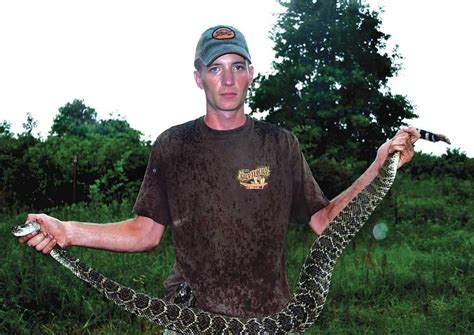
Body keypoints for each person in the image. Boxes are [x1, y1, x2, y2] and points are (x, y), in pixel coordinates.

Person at [18, 25, 419, 320]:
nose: (227, 79)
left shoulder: (280, 145)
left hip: (270, 321)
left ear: (251, 73)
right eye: (215, 68)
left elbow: (327, 221)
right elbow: (144, 232)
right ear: (199, 77)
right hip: (191, 318)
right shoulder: (173, 146)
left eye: (237, 67)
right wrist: (67, 231)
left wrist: (380, 164)